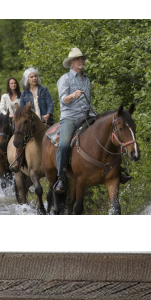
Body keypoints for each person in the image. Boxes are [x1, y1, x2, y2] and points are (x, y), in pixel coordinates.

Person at [53, 47, 95, 192]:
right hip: (70, 117)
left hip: (87, 115)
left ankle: (115, 169)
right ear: (71, 63)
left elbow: (88, 101)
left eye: (82, 58)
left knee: (109, 129)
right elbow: (63, 100)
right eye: (78, 59)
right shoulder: (65, 79)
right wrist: (72, 95)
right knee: (64, 145)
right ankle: (60, 179)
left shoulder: (87, 79)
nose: (81, 61)